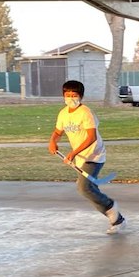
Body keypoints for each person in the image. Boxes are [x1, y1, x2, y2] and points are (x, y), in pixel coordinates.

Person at [48, 80, 126, 234]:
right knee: (89, 189)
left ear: (81, 96)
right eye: (67, 95)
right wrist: (52, 142)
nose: (71, 98)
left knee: (83, 188)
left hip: (94, 155)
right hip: (80, 158)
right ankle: (116, 219)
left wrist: (72, 153)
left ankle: (111, 208)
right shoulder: (63, 113)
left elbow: (91, 138)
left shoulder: (85, 112)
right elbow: (58, 132)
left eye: (74, 95)